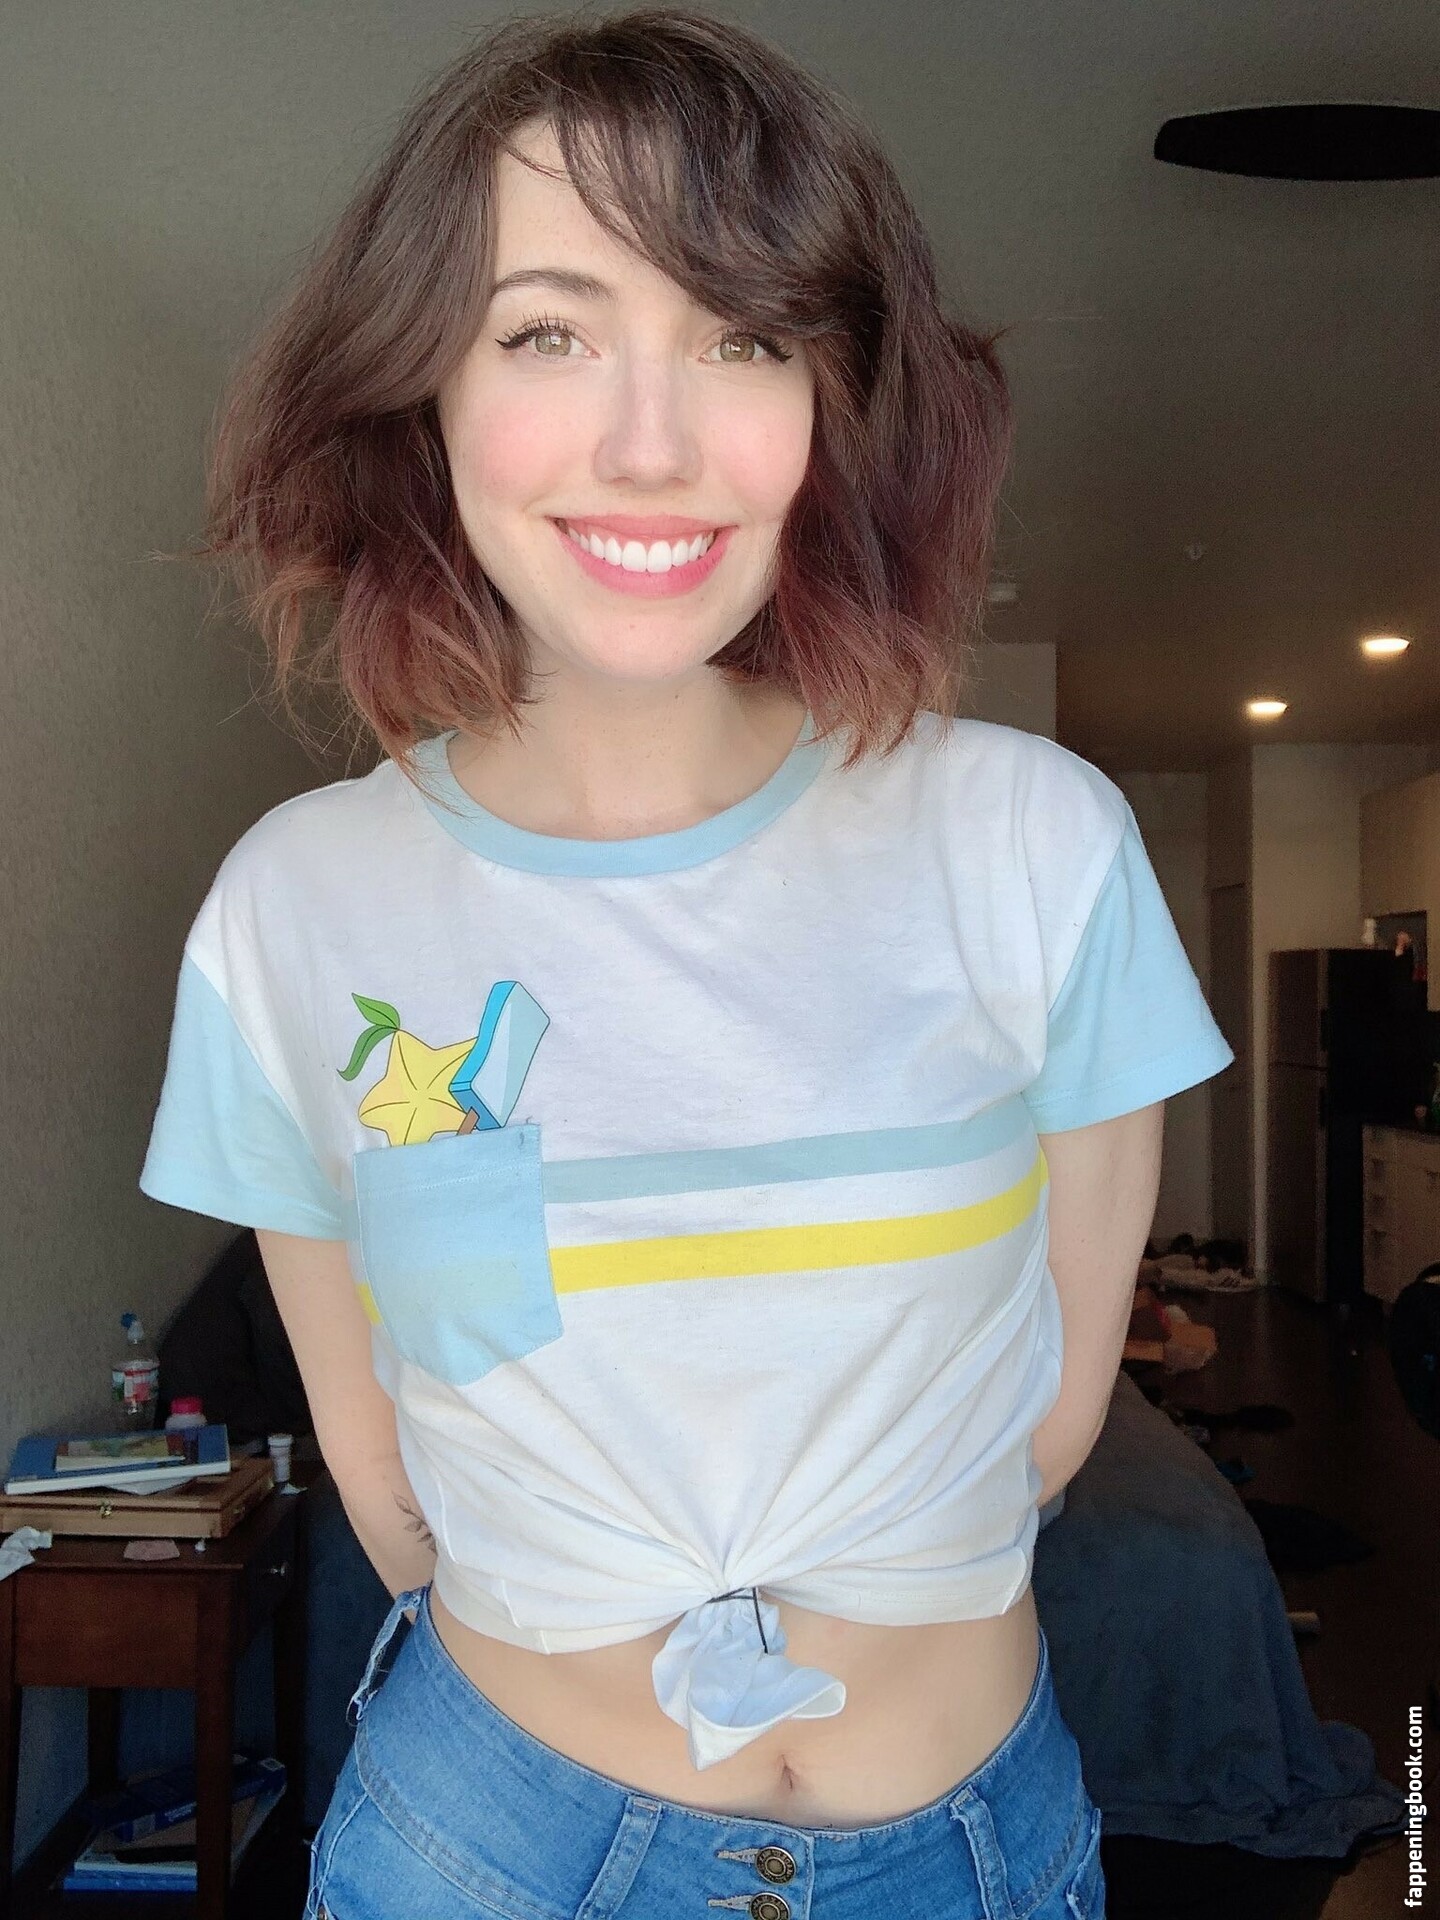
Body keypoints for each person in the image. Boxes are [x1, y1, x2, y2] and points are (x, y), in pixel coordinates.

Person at [139, 10, 1233, 1918]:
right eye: (545, 332)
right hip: (484, 1846)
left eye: (742, 337)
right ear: (423, 392)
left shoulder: (1036, 844)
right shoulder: (294, 909)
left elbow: (1055, 1411)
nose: (651, 445)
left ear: (836, 402)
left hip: (970, 1850)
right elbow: (379, 1474)